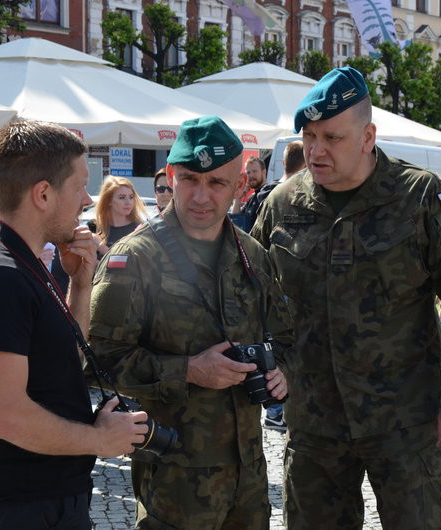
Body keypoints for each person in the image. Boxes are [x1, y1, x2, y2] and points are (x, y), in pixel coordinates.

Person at [251, 66, 441, 529]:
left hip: (407, 421)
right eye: (308, 136)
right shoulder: (283, 204)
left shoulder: (419, 196)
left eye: (332, 137)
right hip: (316, 422)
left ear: (368, 136)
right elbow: (254, 300)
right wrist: (271, 362)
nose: (316, 150)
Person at [89, 116, 293, 529]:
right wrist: (188, 371)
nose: (201, 196)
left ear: (239, 186)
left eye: (216, 183)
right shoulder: (134, 259)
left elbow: (287, 337)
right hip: (174, 482)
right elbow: (99, 363)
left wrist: (283, 372)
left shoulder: (252, 256)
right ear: (170, 177)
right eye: (189, 180)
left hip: (248, 479)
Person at [0, 120, 149, 530]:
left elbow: (63, 359)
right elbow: (7, 418)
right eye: (79, 186)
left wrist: (80, 283)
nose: (87, 200)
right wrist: (99, 439)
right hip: (28, 505)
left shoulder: (23, 262)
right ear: (43, 193)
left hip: (49, 498)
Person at [259, 139, 306, 433]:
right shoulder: (279, 200)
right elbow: (252, 272)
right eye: (311, 138)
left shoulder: (410, 192)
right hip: (305, 400)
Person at [89, 175, 146, 256]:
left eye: (131, 197)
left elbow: (131, 264)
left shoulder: (140, 229)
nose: (128, 202)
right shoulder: (93, 227)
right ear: (108, 200)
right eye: (122, 197)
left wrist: (101, 247)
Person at [231, 156, 270, 228]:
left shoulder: (269, 194)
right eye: (248, 172)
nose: (251, 175)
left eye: (254, 171)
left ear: (264, 172)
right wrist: (238, 197)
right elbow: (236, 220)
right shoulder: (251, 198)